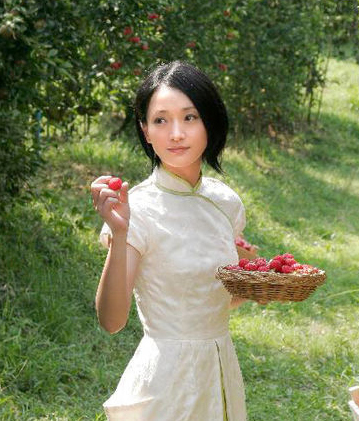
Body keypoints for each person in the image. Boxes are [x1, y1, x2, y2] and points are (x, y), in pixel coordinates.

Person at [91, 60, 249, 421]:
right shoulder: (139, 209)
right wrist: (119, 233)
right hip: (166, 382)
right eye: (161, 120)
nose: (176, 133)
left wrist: (258, 285)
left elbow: (214, 299)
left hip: (221, 372)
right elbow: (111, 320)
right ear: (145, 130)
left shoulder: (226, 203)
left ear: (210, 121)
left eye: (190, 117)